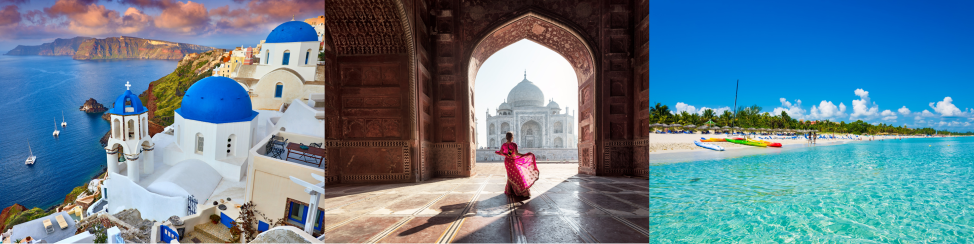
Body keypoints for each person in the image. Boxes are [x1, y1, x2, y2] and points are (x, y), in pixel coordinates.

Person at [494, 131, 539, 198]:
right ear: (512, 137)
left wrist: (507, 155)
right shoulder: (513, 144)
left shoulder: (504, 145)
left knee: (510, 175)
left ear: (506, 137)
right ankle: (521, 190)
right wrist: (524, 155)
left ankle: (510, 190)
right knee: (517, 174)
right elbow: (516, 153)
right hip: (512, 161)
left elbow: (501, 152)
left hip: (507, 161)